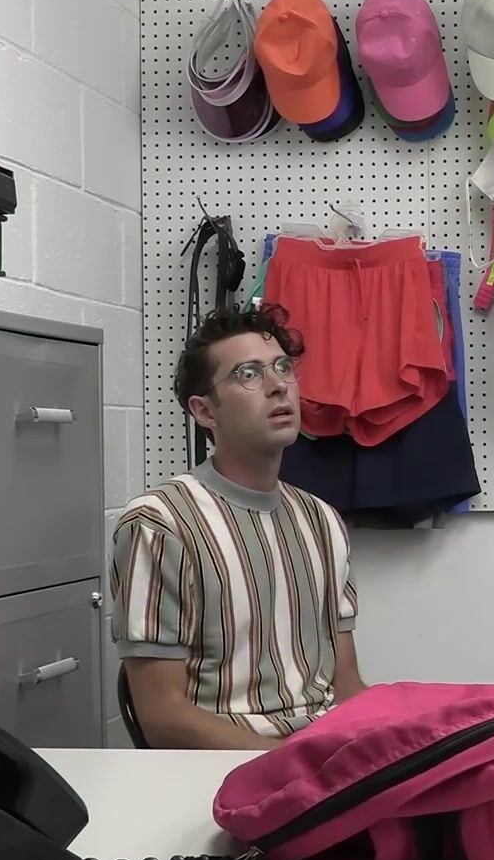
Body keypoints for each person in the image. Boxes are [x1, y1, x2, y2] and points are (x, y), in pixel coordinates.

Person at [110, 305, 367, 749]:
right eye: (248, 374)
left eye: (283, 367)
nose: (278, 385)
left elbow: (347, 690)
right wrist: (290, 764)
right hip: (227, 769)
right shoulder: (160, 524)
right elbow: (162, 718)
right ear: (205, 411)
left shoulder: (323, 522)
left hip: (325, 758)